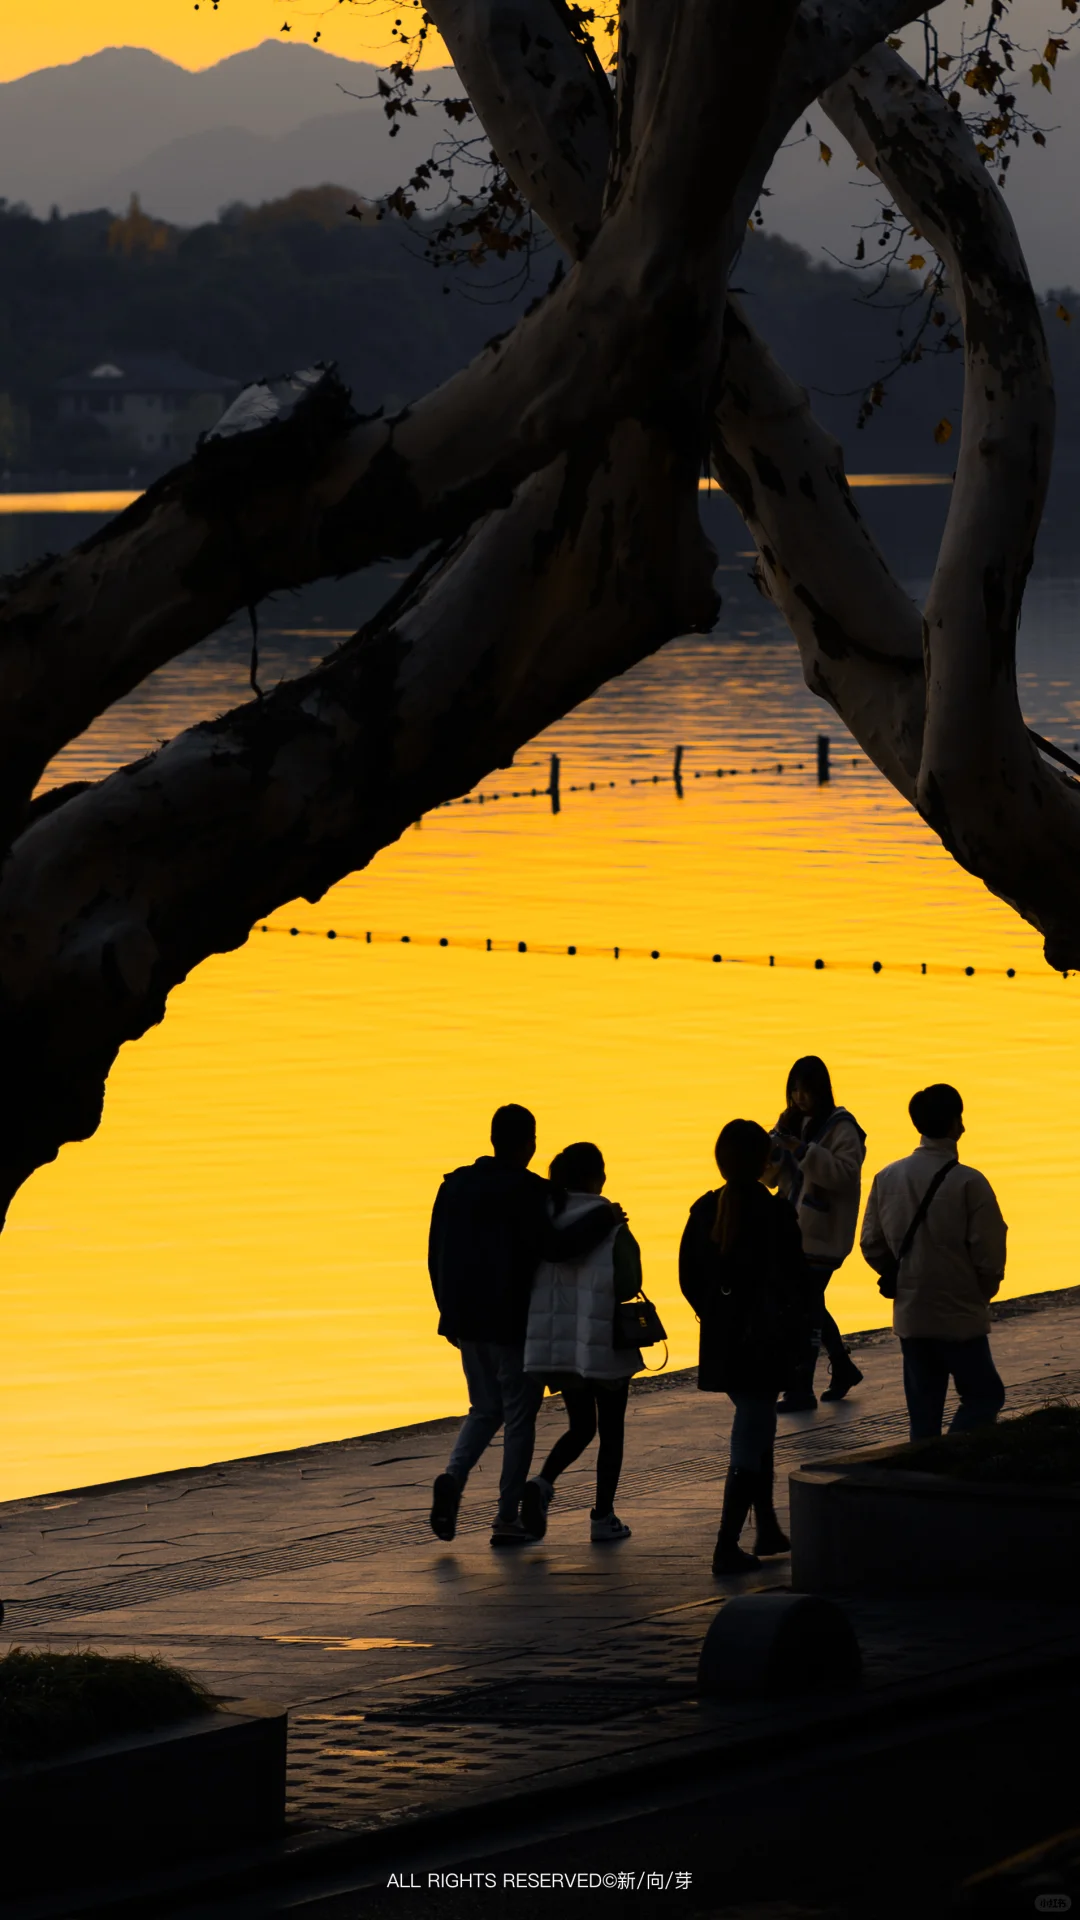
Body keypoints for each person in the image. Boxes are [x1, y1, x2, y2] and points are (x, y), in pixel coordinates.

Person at [428, 1104, 621, 1547]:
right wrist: (603, 1217)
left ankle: (453, 1477)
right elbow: (555, 1246)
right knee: (518, 1416)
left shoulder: (453, 1186)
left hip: (463, 1318)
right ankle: (506, 1517)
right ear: (530, 1143)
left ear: (493, 1138)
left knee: (483, 1408)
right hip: (512, 1323)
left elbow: (433, 1253)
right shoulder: (529, 1192)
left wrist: (448, 1314)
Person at [680, 1119, 813, 1574]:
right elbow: (797, 1282)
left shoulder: (702, 1211)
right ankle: (726, 1544)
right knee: (751, 1434)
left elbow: (688, 1281)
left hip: (724, 1343)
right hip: (765, 1344)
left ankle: (768, 1525)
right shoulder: (775, 1214)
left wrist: (716, 1317)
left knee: (758, 1427)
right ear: (765, 1161)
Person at [860, 1083, 1007, 1441]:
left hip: (912, 1314)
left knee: (923, 1417)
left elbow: (870, 1244)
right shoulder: (970, 1182)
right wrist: (981, 1293)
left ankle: (924, 1476)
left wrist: (901, 1273)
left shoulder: (887, 1177)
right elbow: (989, 1254)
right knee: (985, 1396)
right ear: (957, 1123)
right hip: (959, 1315)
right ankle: (953, 1459)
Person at [521, 1142, 643, 1545]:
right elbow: (629, 1283)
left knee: (580, 1425)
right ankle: (602, 1516)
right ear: (596, 1179)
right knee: (611, 1432)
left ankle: (542, 1482)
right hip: (604, 1344)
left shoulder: (545, 1219)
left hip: (563, 1348)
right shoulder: (609, 1220)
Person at [767, 1054, 866, 1411]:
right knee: (807, 1304)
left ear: (820, 1090)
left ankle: (800, 1389)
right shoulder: (792, 1122)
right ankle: (841, 1366)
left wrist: (803, 1150)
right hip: (792, 1233)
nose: (799, 1098)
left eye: (805, 1091)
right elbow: (770, 1178)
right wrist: (773, 1150)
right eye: (794, 1091)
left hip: (823, 1234)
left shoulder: (842, 1128)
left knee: (803, 1309)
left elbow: (843, 1174)